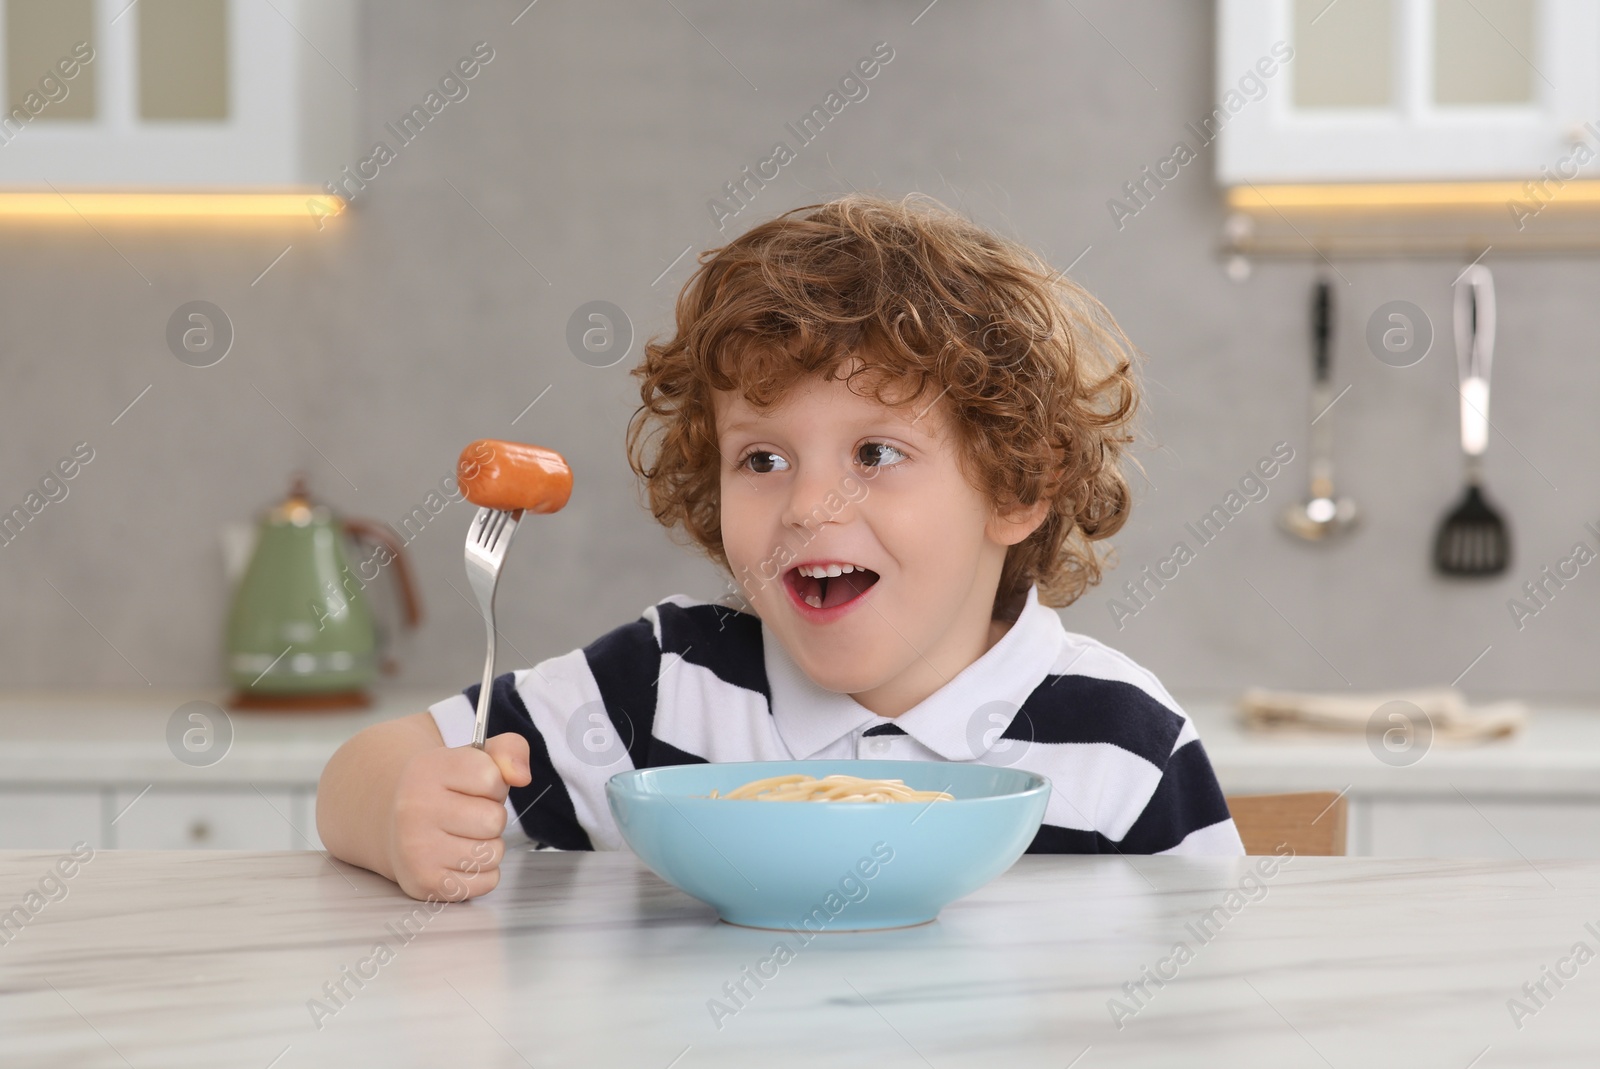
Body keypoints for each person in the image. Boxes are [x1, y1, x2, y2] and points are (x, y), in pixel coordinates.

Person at [317, 193, 1244, 902]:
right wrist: (404, 818)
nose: (807, 503)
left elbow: (1209, 989)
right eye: (762, 457)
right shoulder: (663, 687)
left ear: (1016, 488)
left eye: (877, 452)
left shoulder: (1125, 747)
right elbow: (362, 770)